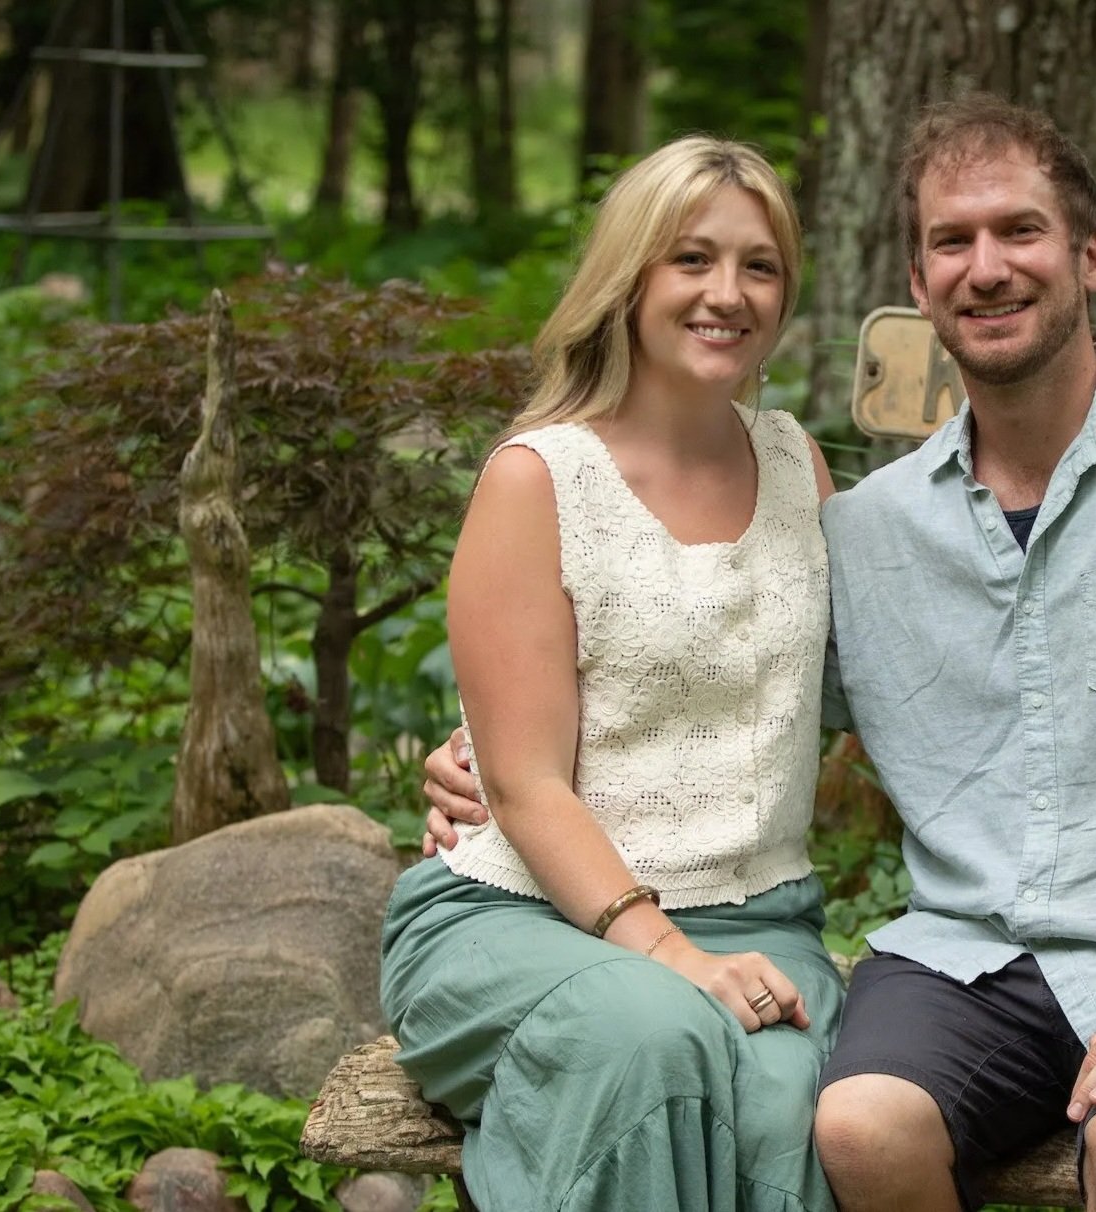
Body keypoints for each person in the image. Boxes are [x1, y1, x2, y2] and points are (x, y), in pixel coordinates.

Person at [427, 96, 1096, 1212]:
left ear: (1091, 255)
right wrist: (485, 749)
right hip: (968, 964)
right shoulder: (869, 526)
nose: (988, 268)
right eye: (951, 243)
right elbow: (715, 676)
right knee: (859, 1126)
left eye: (1019, 231)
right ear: (918, 289)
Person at [384, 134, 842, 1212]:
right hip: (524, 918)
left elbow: (889, 695)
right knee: (653, 1034)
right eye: (691, 259)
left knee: (795, 1106)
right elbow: (529, 784)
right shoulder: (537, 479)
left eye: (759, 266)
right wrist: (670, 954)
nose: (726, 292)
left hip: (759, 920)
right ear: (628, 277)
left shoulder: (798, 466)